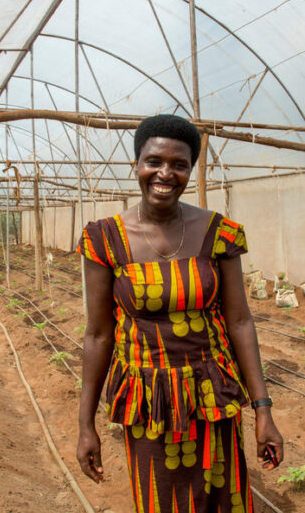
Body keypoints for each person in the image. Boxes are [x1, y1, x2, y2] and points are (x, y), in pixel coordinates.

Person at [76, 114, 283, 512]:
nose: (165, 173)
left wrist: (263, 410)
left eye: (179, 164)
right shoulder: (104, 239)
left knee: (221, 499)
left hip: (211, 391)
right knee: (160, 499)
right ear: (136, 164)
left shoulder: (217, 233)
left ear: (190, 170)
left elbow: (240, 321)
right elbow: (98, 334)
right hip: (148, 397)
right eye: (154, 161)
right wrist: (85, 425)